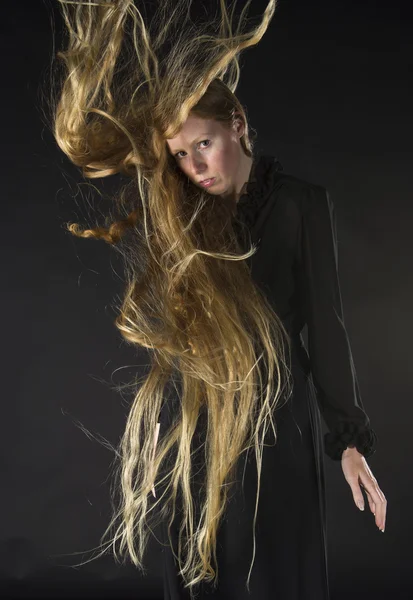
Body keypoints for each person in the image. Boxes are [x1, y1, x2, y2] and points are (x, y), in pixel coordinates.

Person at [48, 0, 386, 598]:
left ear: (237, 122)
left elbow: (325, 328)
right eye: (180, 154)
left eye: (202, 144)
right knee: (201, 558)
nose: (193, 165)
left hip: (279, 411)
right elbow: (182, 323)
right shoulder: (186, 218)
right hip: (202, 406)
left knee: (280, 556)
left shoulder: (301, 204)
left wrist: (349, 442)